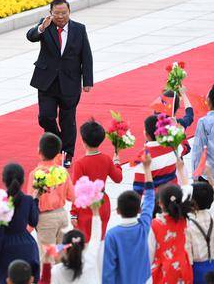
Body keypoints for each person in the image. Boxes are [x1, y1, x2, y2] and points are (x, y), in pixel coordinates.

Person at [26, 0, 93, 168]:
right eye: (57, 13)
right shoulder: (45, 25)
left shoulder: (79, 29)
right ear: (50, 13)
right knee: (45, 117)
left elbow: (86, 55)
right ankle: (57, 142)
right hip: (47, 81)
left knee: (68, 120)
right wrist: (41, 28)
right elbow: (31, 36)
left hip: (70, 81)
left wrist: (88, 80)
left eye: (64, 13)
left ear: (69, 12)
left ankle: (66, 153)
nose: (61, 16)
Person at [26, 133, 74, 283]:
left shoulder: (35, 174)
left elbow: (30, 200)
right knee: (62, 252)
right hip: (61, 215)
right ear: (59, 154)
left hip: (44, 218)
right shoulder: (62, 172)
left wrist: (28, 225)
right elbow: (72, 196)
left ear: (39, 151)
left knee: (46, 256)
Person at [102, 150, 155, 284]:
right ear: (139, 209)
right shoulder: (143, 227)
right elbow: (149, 198)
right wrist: (147, 169)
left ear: (118, 211)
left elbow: (108, 271)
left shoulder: (112, 235)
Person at [71, 119, 123, 240]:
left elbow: (77, 191)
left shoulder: (80, 163)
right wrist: (117, 163)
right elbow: (118, 178)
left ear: (83, 141)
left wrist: (73, 213)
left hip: (86, 206)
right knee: (100, 239)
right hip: (103, 202)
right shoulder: (106, 159)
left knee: (86, 243)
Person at [0, 163, 40, 284]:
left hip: (4, 246)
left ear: (4, 180)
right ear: (23, 180)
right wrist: (35, 200)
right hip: (27, 246)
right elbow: (34, 221)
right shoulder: (28, 200)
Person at [185, 165, 214, 284]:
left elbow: (187, 251)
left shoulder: (188, 222)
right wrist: (210, 177)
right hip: (213, 264)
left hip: (196, 269)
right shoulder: (213, 215)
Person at [148, 182, 193, 284]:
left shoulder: (154, 224)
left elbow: (149, 254)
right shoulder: (184, 220)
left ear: (160, 203)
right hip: (184, 268)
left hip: (164, 271)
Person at [51, 205, 103, 284]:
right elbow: (96, 236)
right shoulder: (90, 259)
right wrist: (95, 212)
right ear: (84, 246)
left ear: (64, 248)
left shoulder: (56, 271)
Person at [132, 115, 178, 195]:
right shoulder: (173, 147)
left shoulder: (143, 157)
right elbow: (186, 147)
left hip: (156, 203)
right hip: (174, 196)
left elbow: (138, 189)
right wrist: (175, 127)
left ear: (147, 134)